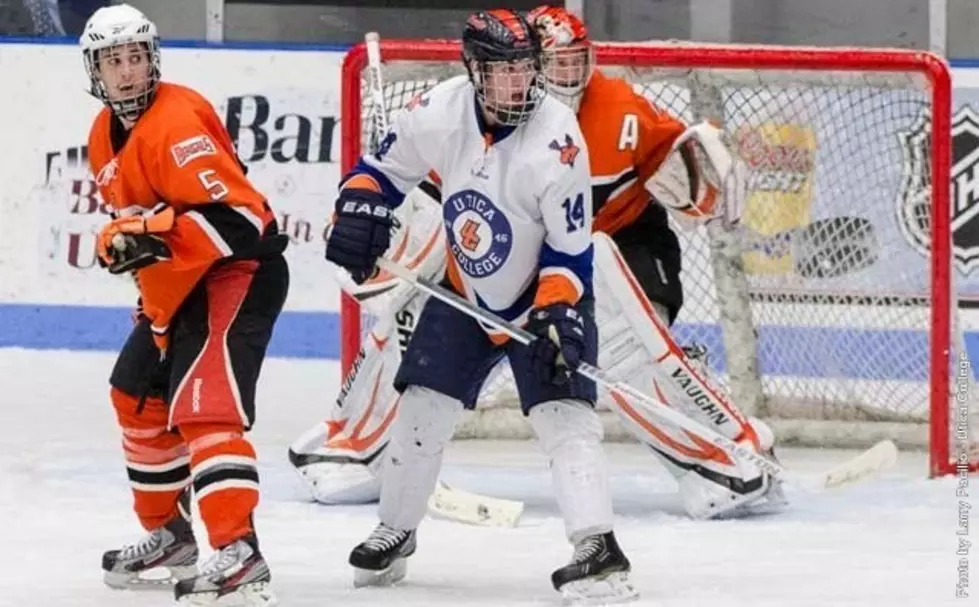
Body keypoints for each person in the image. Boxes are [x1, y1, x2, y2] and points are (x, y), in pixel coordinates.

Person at [293, 5, 784, 522]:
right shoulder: (469, 115)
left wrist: (694, 165)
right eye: (555, 64)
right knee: (413, 315)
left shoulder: (618, 108)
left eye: (576, 62)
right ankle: (354, 444)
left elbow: (672, 152)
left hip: (619, 242)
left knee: (625, 339)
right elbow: (437, 200)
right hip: (511, 255)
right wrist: (373, 223)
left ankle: (722, 450)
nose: (567, 76)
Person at [323, 8, 637, 603]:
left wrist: (556, 316)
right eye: (503, 70)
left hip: (543, 295)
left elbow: (570, 258)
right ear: (475, 70)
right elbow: (379, 172)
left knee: (564, 416)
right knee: (420, 409)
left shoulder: (561, 142)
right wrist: (359, 210)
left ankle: (597, 547)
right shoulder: (438, 111)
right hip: (465, 292)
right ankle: (397, 530)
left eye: (526, 69)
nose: (518, 83)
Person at [82, 4, 287, 605]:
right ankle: (171, 535)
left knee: (205, 407)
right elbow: (143, 230)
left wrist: (148, 233)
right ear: (95, 70)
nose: (126, 71)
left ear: (153, 60)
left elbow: (243, 222)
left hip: (235, 275)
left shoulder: (178, 118)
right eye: (113, 61)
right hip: (180, 287)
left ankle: (240, 551)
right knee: (136, 395)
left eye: (136, 57)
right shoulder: (102, 132)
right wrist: (132, 253)